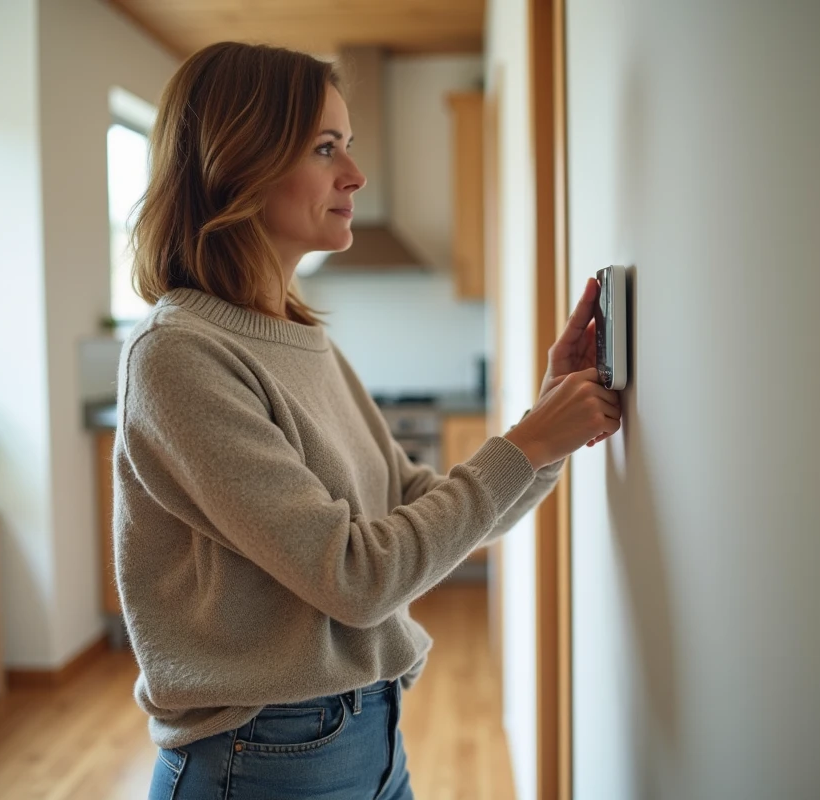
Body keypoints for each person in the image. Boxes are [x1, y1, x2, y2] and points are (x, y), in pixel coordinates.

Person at [114, 41, 622, 800]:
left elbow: (416, 504)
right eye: (325, 148)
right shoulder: (178, 355)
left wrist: (547, 430)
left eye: (348, 144)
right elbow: (356, 578)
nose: (355, 174)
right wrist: (526, 444)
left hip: (366, 733)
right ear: (239, 160)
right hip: (262, 756)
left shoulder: (298, 337)